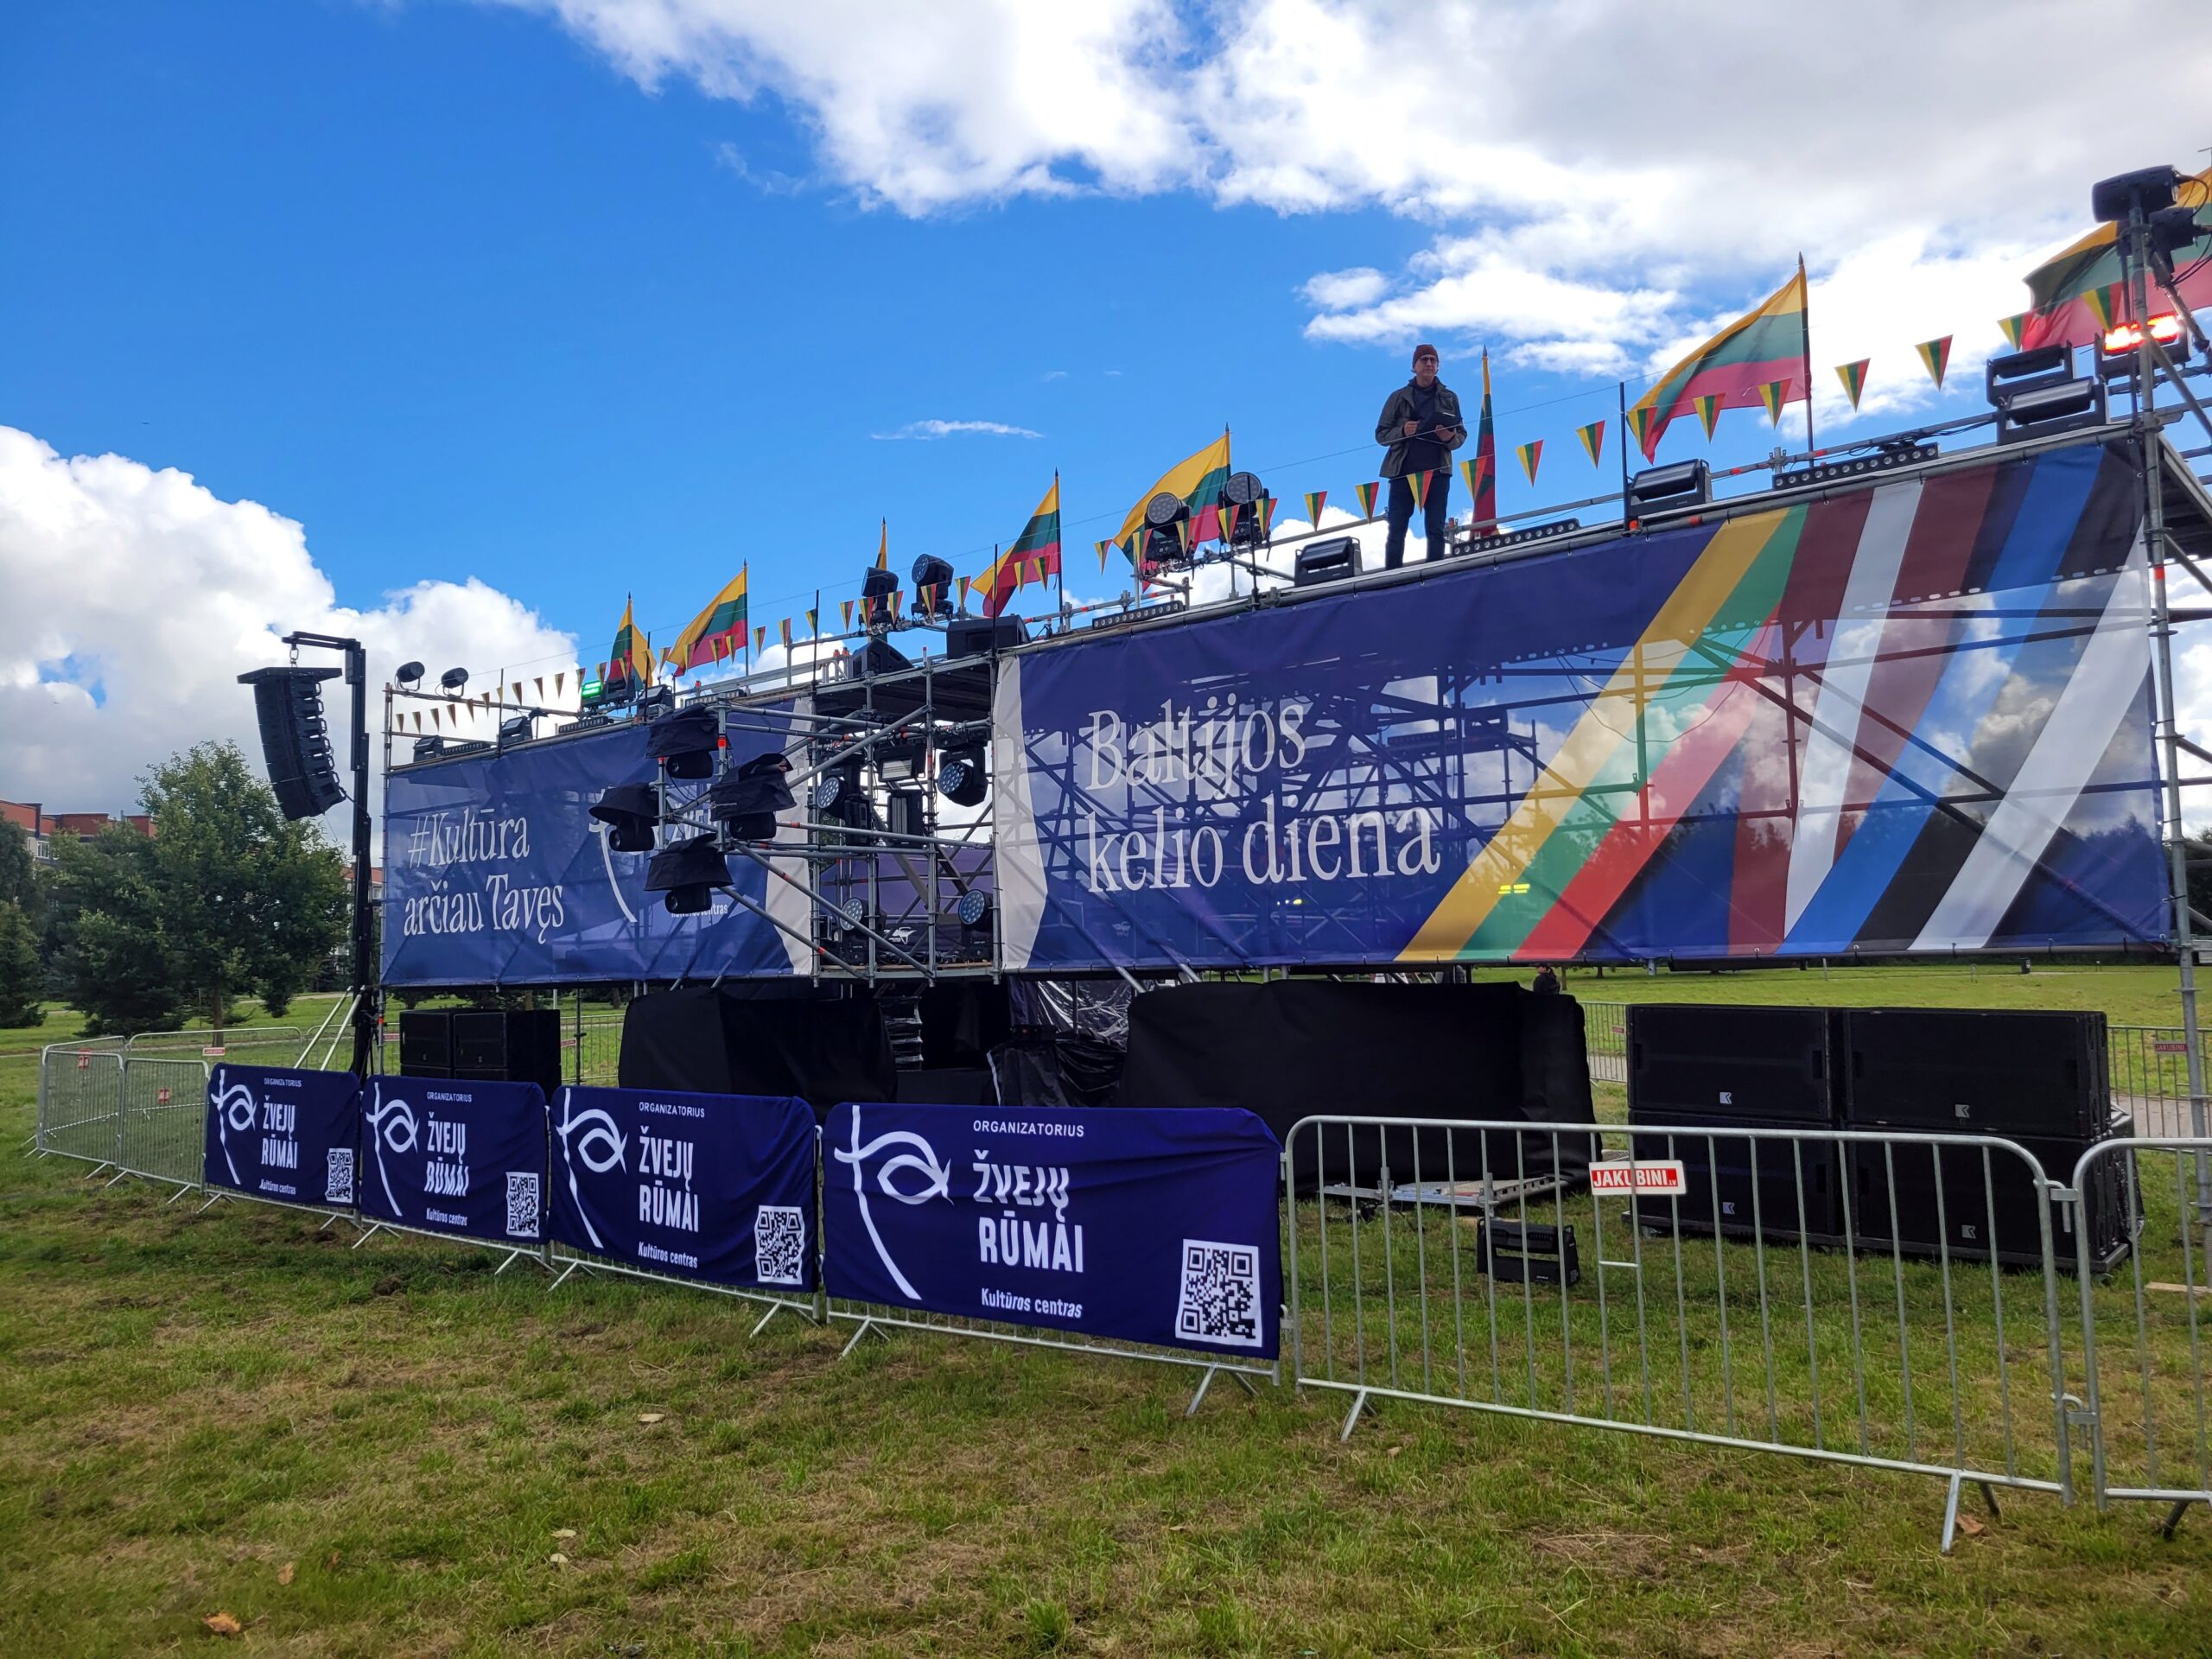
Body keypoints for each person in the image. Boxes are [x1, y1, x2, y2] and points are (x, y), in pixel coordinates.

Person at [1373, 343, 1467, 568]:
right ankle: (1392, 575)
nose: (1428, 363)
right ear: (1413, 366)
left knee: (1436, 527)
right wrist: (1402, 432)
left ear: (1438, 366)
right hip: (1402, 472)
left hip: (1438, 472)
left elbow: (1461, 435)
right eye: (1424, 359)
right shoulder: (1398, 397)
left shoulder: (1450, 397)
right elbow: (1381, 435)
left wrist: (1448, 438)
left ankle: (1434, 573)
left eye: (1433, 360)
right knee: (1397, 528)